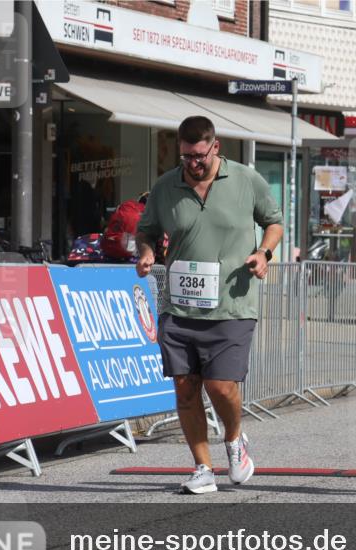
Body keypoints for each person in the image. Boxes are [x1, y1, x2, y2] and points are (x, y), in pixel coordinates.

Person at [135, 116, 283, 494]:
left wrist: (264, 253)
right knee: (185, 388)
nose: (192, 164)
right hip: (180, 306)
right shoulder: (166, 186)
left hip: (231, 304)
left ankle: (234, 441)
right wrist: (148, 252)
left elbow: (274, 222)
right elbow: (147, 230)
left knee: (220, 387)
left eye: (199, 156)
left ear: (215, 147)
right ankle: (202, 467)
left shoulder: (246, 180)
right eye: (185, 157)